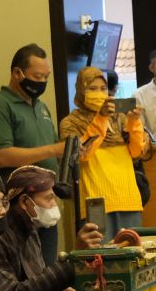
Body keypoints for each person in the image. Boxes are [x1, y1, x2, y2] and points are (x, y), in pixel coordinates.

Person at [0, 43, 66, 261]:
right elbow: (1, 156)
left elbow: (51, 148)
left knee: (48, 267)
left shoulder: (42, 107)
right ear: (17, 73)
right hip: (18, 206)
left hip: (45, 202)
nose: (42, 82)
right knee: (25, 268)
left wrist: (68, 152)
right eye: (37, 76)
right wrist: (52, 149)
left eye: (46, 77)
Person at [58, 67, 151, 235]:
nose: (99, 93)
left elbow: (137, 152)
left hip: (128, 198)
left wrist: (134, 121)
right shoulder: (71, 122)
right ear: (81, 91)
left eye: (103, 88)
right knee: (99, 249)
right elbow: (82, 154)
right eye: (92, 89)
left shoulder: (120, 117)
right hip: (95, 201)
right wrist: (101, 118)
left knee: (131, 247)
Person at [0, 165, 101, 281]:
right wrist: (74, 256)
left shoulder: (31, 232)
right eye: (49, 199)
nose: (54, 205)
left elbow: (39, 282)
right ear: (25, 202)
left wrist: (60, 290)